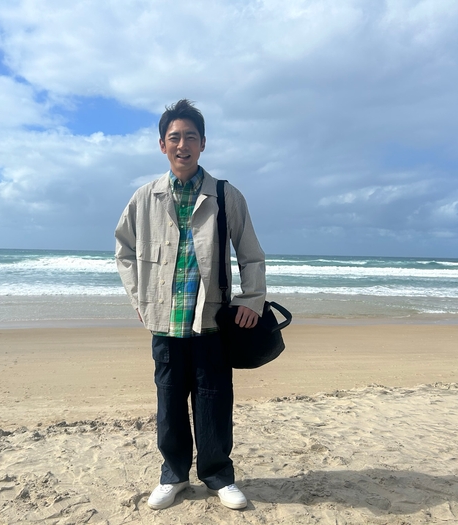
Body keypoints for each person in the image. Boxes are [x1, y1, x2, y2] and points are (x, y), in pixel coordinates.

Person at [115, 99, 266, 511]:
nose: (182, 145)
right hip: (165, 322)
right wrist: (140, 298)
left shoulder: (225, 195)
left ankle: (218, 476)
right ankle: (174, 475)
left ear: (203, 144)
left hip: (210, 321)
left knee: (213, 401)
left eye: (190, 137)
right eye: (174, 137)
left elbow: (251, 255)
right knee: (169, 405)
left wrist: (252, 299)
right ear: (162, 145)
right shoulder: (145, 197)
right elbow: (123, 250)